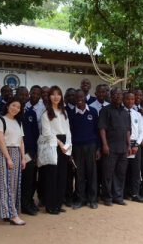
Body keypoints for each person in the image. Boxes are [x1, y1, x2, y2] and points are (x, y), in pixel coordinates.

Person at [0, 97, 26, 224]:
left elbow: (21, 141)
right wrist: (8, 158)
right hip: (4, 153)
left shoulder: (18, 122)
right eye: (13, 105)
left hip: (17, 153)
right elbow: (0, 141)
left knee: (15, 185)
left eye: (18, 107)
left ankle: (10, 212)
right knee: (5, 185)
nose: (15, 109)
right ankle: (12, 215)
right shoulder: (0, 121)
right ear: (7, 106)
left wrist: (23, 158)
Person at [41, 86, 72, 214]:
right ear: (49, 97)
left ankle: (58, 204)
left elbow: (68, 131)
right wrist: (59, 143)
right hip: (52, 144)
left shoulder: (63, 112)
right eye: (53, 94)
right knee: (51, 176)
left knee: (61, 176)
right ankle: (50, 206)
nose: (55, 97)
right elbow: (46, 132)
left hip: (64, 144)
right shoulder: (45, 112)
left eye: (58, 94)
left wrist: (67, 146)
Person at [98, 88, 131, 206]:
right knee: (108, 173)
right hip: (110, 148)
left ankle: (118, 197)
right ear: (111, 96)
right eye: (115, 94)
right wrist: (105, 144)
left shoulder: (125, 112)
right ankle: (107, 197)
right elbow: (102, 128)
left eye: (120, 94)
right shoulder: (105, 110)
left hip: (123, 148)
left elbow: (127, 130)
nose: (118, 96)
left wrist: (128, 144)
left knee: (120, 173)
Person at [69, 90, 101, 209]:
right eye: (77, 97)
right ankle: (81, 199)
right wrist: (70, 152)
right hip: (77, 147)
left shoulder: (92, 111)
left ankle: (93, 199)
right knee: (79, 174)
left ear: (85, 98)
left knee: (92, 174)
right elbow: (69, 133)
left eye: (81, 96)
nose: (79, 99)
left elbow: (97, 131)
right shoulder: (71, 114)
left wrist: (98, 148)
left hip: (91, 146)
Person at [16, 87, 40, 216]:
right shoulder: (12, 112)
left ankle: (26, 203)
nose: (24, 97)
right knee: (16, 180)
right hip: (14, 151)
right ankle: (18, 205)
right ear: (16, 95)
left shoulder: (31, 113)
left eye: (26, 95)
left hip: (29, 151)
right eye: (21, 95)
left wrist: (35, 152)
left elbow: (35, 133)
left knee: (29, 179)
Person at [24, 85, 45, 207]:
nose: (35, 96)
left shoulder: (43, 109)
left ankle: (36, 198)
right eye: (33, 93)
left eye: (38, 94)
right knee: (27, 175)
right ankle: (24, 200)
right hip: (25, 147)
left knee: (36, 175)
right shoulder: (20, 107)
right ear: (30, 93)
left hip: (38, 146)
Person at [123, 92, 143, 203]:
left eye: (132, 99)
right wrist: (127, 145)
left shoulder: (137, 114)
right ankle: (123, 193)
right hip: (123, 145)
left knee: (136, 171)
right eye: (128, 99)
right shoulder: (120, 113)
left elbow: (142, 131)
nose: (130, 101)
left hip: (136, 145)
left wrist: (136, 145)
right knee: (123, 170)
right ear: (123, 100)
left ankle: (135, 193)